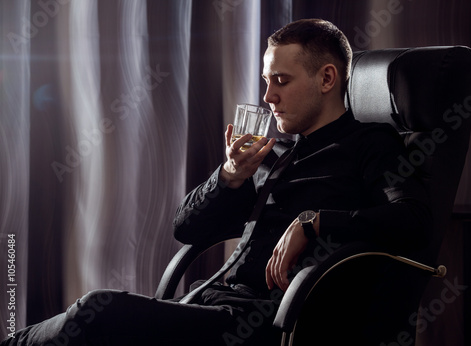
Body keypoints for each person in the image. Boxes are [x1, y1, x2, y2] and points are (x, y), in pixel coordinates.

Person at [2, 18, 431, 346]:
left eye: (281, 81)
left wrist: (315, 222)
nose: (268, 97)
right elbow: (185, 230)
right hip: (212, 301)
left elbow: (412, 218)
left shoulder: (372, 143)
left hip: (273, 321)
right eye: (266, 82)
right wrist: (228, 177)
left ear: (326, 79)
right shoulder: (274, 154)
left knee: (97, 311)